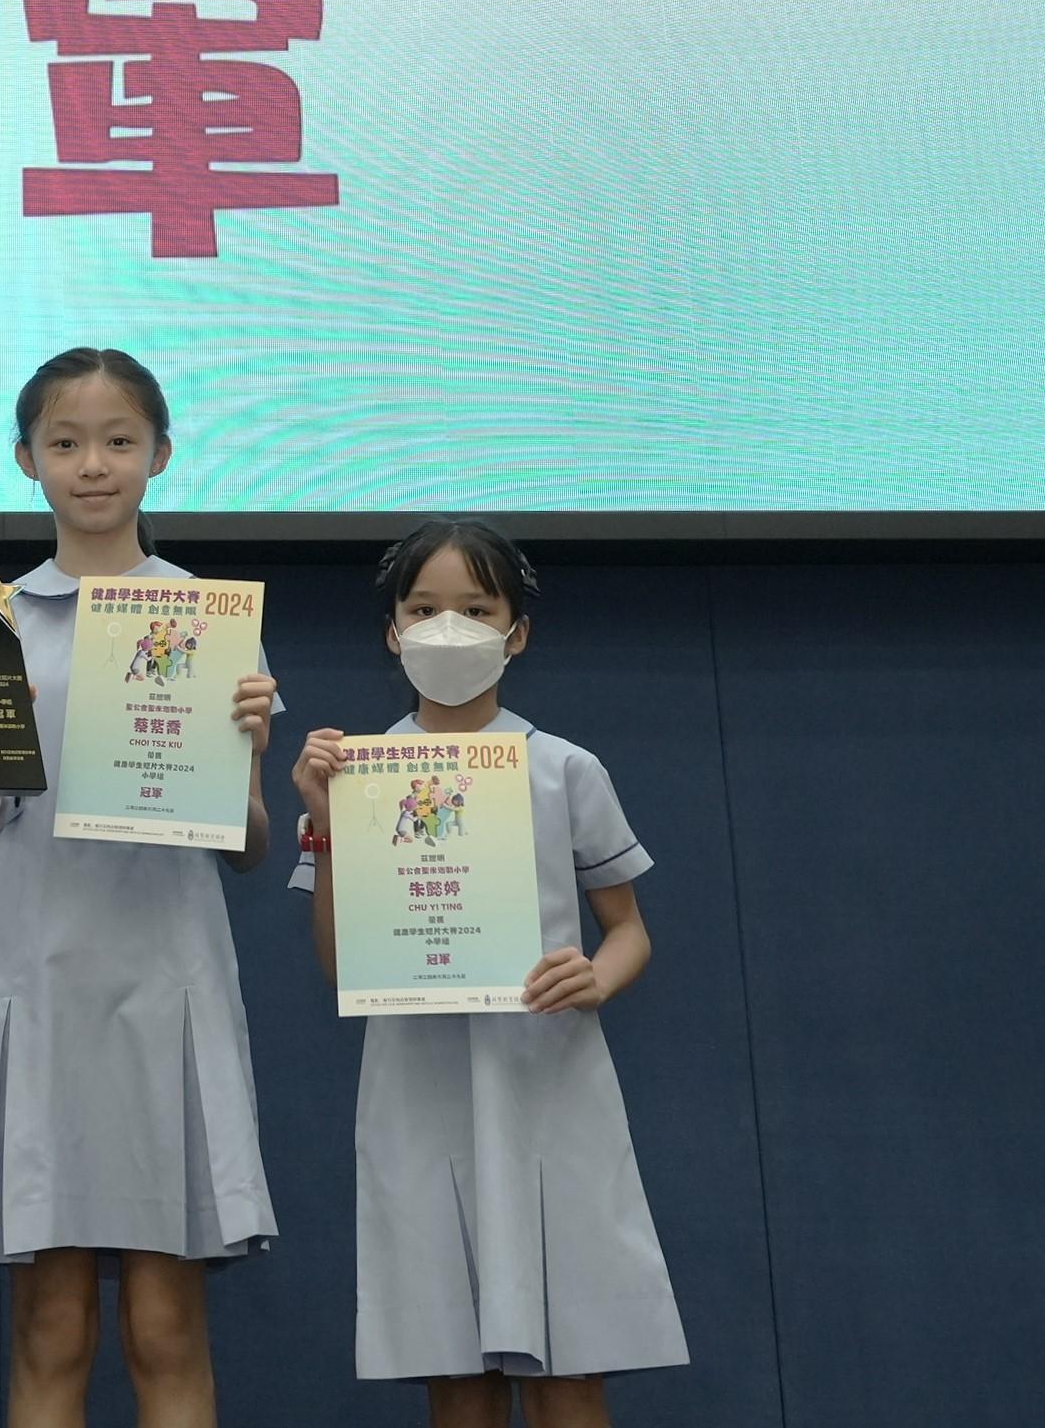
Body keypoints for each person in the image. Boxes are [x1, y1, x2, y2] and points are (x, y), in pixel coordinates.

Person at [0, 347, 280, 1428]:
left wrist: (247, 742)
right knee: (50, 1320)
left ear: (160, 454)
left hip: (164, 978)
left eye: (118, 440)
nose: (92, 464)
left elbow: (248, 843)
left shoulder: (208, 617)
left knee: (166, 1322)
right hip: (36, 973)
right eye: (64, 442)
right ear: (25, 459)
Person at [290, 521, 687, 1426]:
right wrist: (321, 816)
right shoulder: (358, 773)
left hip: (548, 1086)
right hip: (419, 1094)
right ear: (391, 631)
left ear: (518, 631)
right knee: (456, 1382)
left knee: (570, 1372)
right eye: (423, 608)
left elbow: (629, 930)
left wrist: (594, 973)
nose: (448, 628)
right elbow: (341, 963)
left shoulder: (563, 767)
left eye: (476, 608)